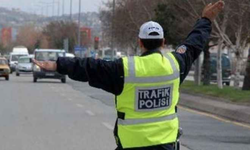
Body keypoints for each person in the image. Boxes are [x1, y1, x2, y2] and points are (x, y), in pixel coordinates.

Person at [33, 1, 224, 150]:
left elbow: (89, 67)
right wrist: (205, 20)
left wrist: (58, 64)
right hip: (166, 145)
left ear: (140, 43)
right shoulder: (175, 65)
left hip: (132, 146)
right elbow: (193, 43)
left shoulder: (125, 69)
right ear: (163, 42)